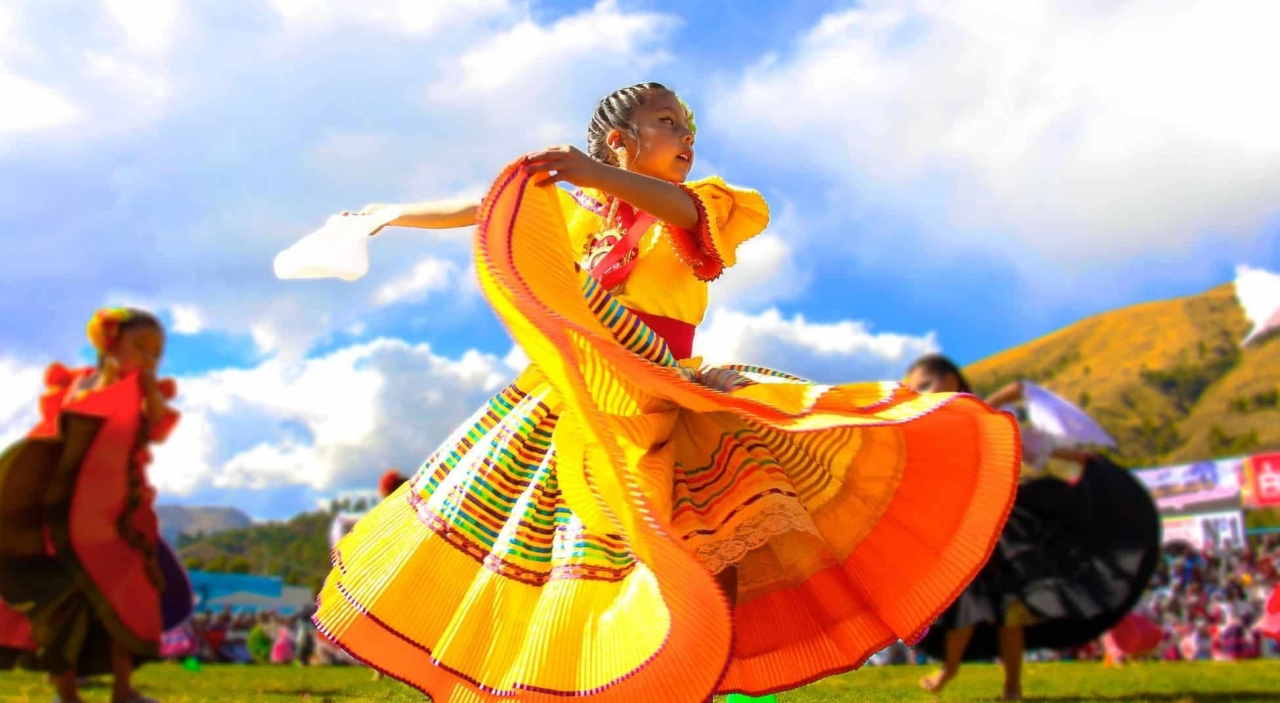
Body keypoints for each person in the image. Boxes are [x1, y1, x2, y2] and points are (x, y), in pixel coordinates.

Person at [308, 83, 1021, 702]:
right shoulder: (578, 208)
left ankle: (698, 680)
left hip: (671, 393)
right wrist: (384, 212)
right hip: (587, 398)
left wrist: (593, 172)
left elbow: (682, 215)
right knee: (569, 553)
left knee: (715, 541)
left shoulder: (702, 202)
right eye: (669, 122)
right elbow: (486, 204)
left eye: (688, 126)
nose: (687, 136)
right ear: (621, 139)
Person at [906, 355, 1161, 700]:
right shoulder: (934, 425)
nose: (921, 393)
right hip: (964, 528)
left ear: (951, 380)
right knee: (964, 607)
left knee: (1011, 611)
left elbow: (1026, 442)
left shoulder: (979, 416)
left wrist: (1076, 457)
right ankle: (949, 669)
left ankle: (1011, 685)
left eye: (925, 384)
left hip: (1006, 524)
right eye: (915, 389)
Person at [0, 308, 181, 703]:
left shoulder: (142, 392)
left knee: (127, 593)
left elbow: (157, 426)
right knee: (65, 600)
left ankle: (122, 689)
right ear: (108, 344)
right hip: (64, 511)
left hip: (117, 512)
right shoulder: (77, 384)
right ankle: (66, 693)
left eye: (156, 354)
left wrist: (148, 394)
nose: (149, 359)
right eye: (141, 348)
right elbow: (53, 436)